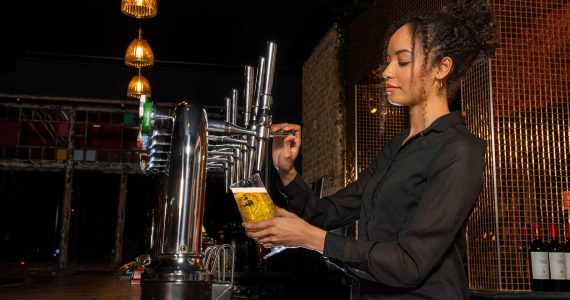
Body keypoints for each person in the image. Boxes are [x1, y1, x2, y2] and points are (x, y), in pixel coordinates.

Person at [244, 0, 497, 298]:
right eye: (388, 60)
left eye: (402, 61)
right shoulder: (396, 147)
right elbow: (324, 214)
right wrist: (285, 170)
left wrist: (311, 238)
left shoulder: (459, 150)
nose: (386, 71)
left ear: (441, 68)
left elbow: (409, 263)